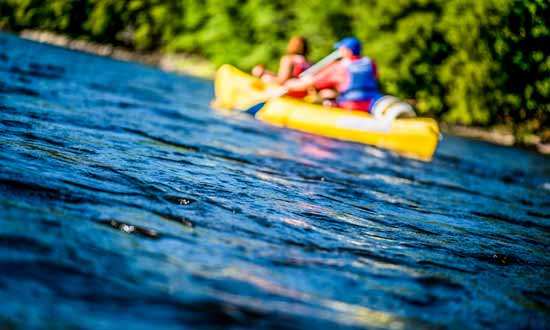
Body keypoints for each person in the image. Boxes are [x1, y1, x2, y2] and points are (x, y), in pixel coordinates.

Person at [284, 37, 381, 112]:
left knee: (325, 95)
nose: (339, 52)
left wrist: (289, 84)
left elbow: (310, 83)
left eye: (340, 49)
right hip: (372, 104)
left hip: (351, 105)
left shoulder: (338, 67)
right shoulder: (370, 63)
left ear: (347, 51)